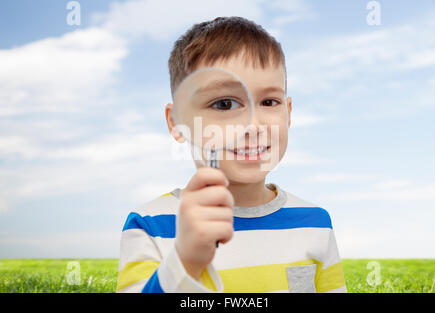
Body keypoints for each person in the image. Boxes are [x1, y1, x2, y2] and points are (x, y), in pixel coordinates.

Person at [116, 16, 346, 293]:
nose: (252, 125)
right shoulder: (150, 225)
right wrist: (185, 262)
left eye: (269, 102)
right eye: (225, 104)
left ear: (288, 113)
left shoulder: (316, 221)